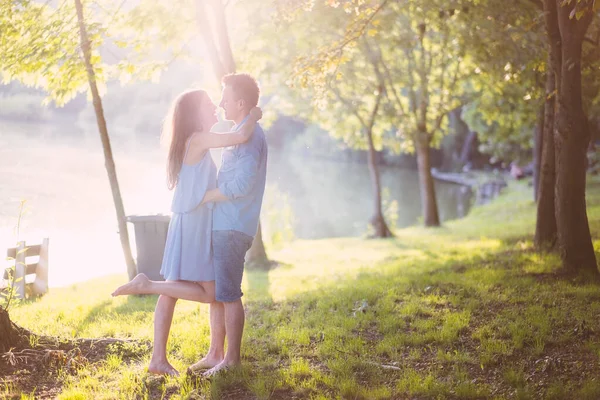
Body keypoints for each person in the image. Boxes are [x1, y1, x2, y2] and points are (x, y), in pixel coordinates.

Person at [112, 88, 262, 376]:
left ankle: (158, 359)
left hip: (188, 220)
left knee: (174, 287)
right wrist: (253, 113)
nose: (216, 107)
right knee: (212, 293)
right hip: (194, 223)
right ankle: (147, 285)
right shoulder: (199, 140)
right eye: (209, 104)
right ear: (196, 113)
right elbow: (240, 136)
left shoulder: (192, 141)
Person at [188, 73, 268, 377]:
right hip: (224, 224)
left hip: (233, 227)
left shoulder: (251, 137)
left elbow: (243, 184)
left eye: (225, 97)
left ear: (240, 102)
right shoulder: (240, 130)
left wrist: (205, 196)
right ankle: (215, 353)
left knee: (229, 293)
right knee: (219, 292)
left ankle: (231, 360)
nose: (220, 103)